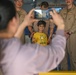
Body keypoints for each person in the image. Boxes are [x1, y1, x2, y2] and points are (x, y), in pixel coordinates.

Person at [0, 0, 66, 75]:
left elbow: (12, 43)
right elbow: (57, 54)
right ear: (14, 21)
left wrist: (24, 23)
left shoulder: (7, 49)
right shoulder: (29, 53)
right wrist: (61, 25)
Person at [60, 0, 76, 70]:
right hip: (63, 35)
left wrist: (69, 32)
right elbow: (59, 22)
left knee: (74, 57)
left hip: (73, 36)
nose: (68, 0)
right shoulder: (62, 11)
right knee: (63, 57)